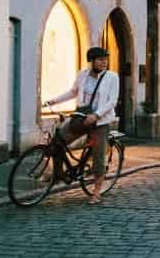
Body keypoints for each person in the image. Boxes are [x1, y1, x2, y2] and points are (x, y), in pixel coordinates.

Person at [43, 46, 119, 205]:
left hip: (100, 121)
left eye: (105, 59)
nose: (104, 62)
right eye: (100, 59)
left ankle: (96, 192)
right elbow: (73, 92)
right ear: (91, 61)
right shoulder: (83, 75)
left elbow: (112, 101)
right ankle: (58, 174)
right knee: (57, 142)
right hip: (81, 118)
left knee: (98, 156)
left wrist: (96, 115)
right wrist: (54, 101)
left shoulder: (112, 77)